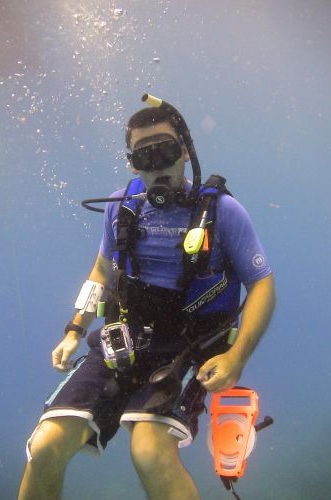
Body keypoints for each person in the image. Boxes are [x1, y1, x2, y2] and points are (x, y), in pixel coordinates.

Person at [18, 97, 275, 500]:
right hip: (124, 340)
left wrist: (236, 357)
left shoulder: (223, 211)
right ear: (132, 163)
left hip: (191, 347)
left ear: (186, 152)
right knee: (46, 445)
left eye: (166, 151)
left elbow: (262, 284)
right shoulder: (122, 207)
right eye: (144, 156)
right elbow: (102, 270)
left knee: (150, 451)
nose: (157, 167)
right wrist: (74, 329)